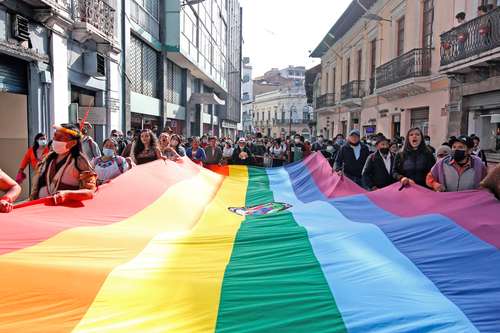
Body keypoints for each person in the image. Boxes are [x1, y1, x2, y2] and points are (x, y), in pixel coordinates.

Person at [31, 124, 97, 204]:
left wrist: (67, 195)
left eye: (60, 137)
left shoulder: (80, 161)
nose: (55, 140)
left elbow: (90, 192)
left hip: (65, 211)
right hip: (40, 209)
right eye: (55, 136)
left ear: (73, 143)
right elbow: (36, 187)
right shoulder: (47, 158)